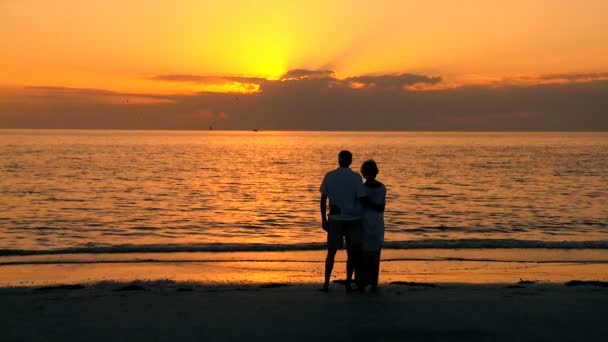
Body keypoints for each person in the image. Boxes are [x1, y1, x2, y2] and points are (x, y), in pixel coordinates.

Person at [319, 150, 364, 292]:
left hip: (335, 219)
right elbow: (360, 198)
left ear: (338, 160)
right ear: (350, 161)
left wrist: (323, 219)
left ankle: (326, 283)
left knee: (331, 252)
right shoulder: (356, 178)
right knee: (352, 253)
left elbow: (323, 199)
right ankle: (348, 284)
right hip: (353, 219)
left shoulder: (329, 176)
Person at [358, 160, 386, 293]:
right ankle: (373, 283)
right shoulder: (382, 187)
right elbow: (382, 207)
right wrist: (377, 207)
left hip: (365, 223)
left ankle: (363, 282)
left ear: (364, 173)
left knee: (364, 255)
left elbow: (363, 203)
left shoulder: (362, 189)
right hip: (378, 223)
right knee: (375, 254)